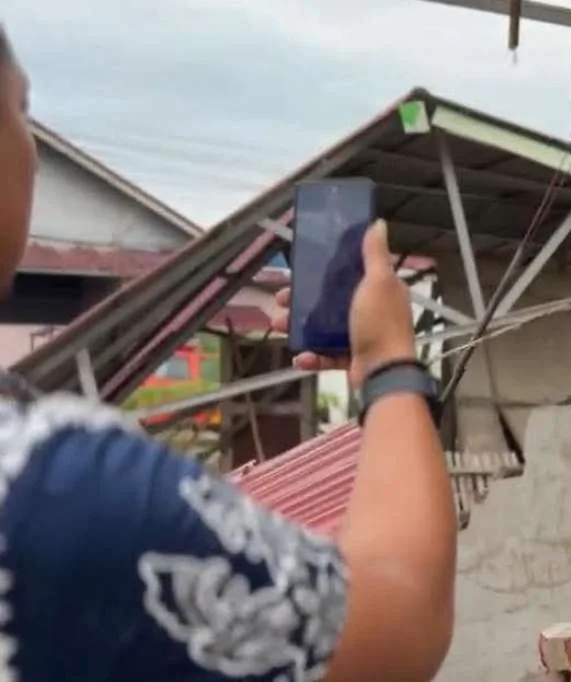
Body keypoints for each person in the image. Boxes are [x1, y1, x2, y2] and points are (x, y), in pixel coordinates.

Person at [0, 24, 456, 681]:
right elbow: (401, 622)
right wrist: (391, 365)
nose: (34, 152)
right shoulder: (55, 487)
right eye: (20, 110)